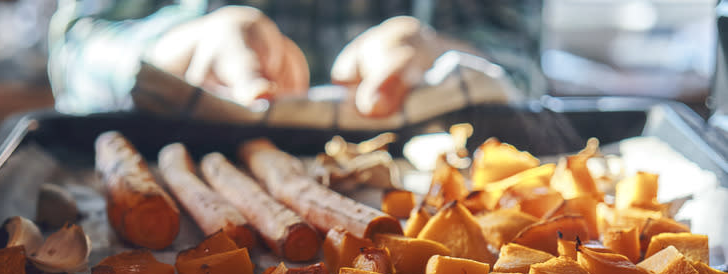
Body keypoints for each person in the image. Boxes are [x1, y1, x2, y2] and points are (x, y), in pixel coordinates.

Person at [48, 0, 542, 117]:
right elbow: (79, 47)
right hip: (174, 155)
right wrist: (169, 53)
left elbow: (520, 62)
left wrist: (449, 58)